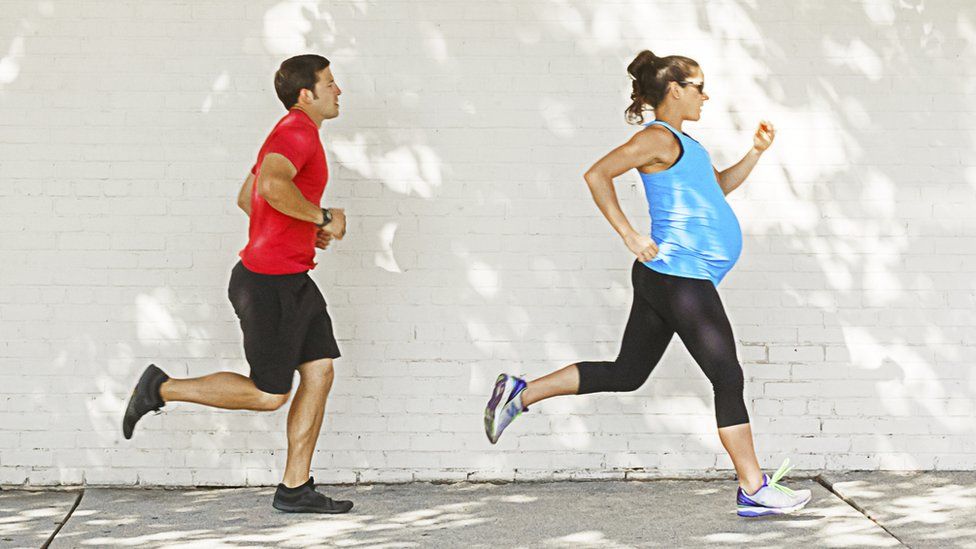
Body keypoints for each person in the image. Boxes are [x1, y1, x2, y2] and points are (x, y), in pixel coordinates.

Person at [484, 50, 811, 517]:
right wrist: (630, 234)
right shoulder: (655, 138)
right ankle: (753, 488)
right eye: (699, 86)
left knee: (627, 373)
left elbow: (717, 187)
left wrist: (755, 153)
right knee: (728, 376)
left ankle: (521, 392)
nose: (706, 94)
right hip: (679, 276)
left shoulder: (683, 142)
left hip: (671, 279)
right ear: (675, 89)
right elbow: (597, 174)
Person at [122, 54, 353, 514]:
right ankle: (160, 389)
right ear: (306, 94)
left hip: (292, 280)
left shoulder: (291, 132)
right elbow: (268, 189)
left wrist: (303, 231)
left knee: (320, 371)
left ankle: (294, 488)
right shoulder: (295, 131)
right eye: (330, 83)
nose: (338, 90)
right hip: (269, 286)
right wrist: (323, 216)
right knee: (269, 394)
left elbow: (247, 196)